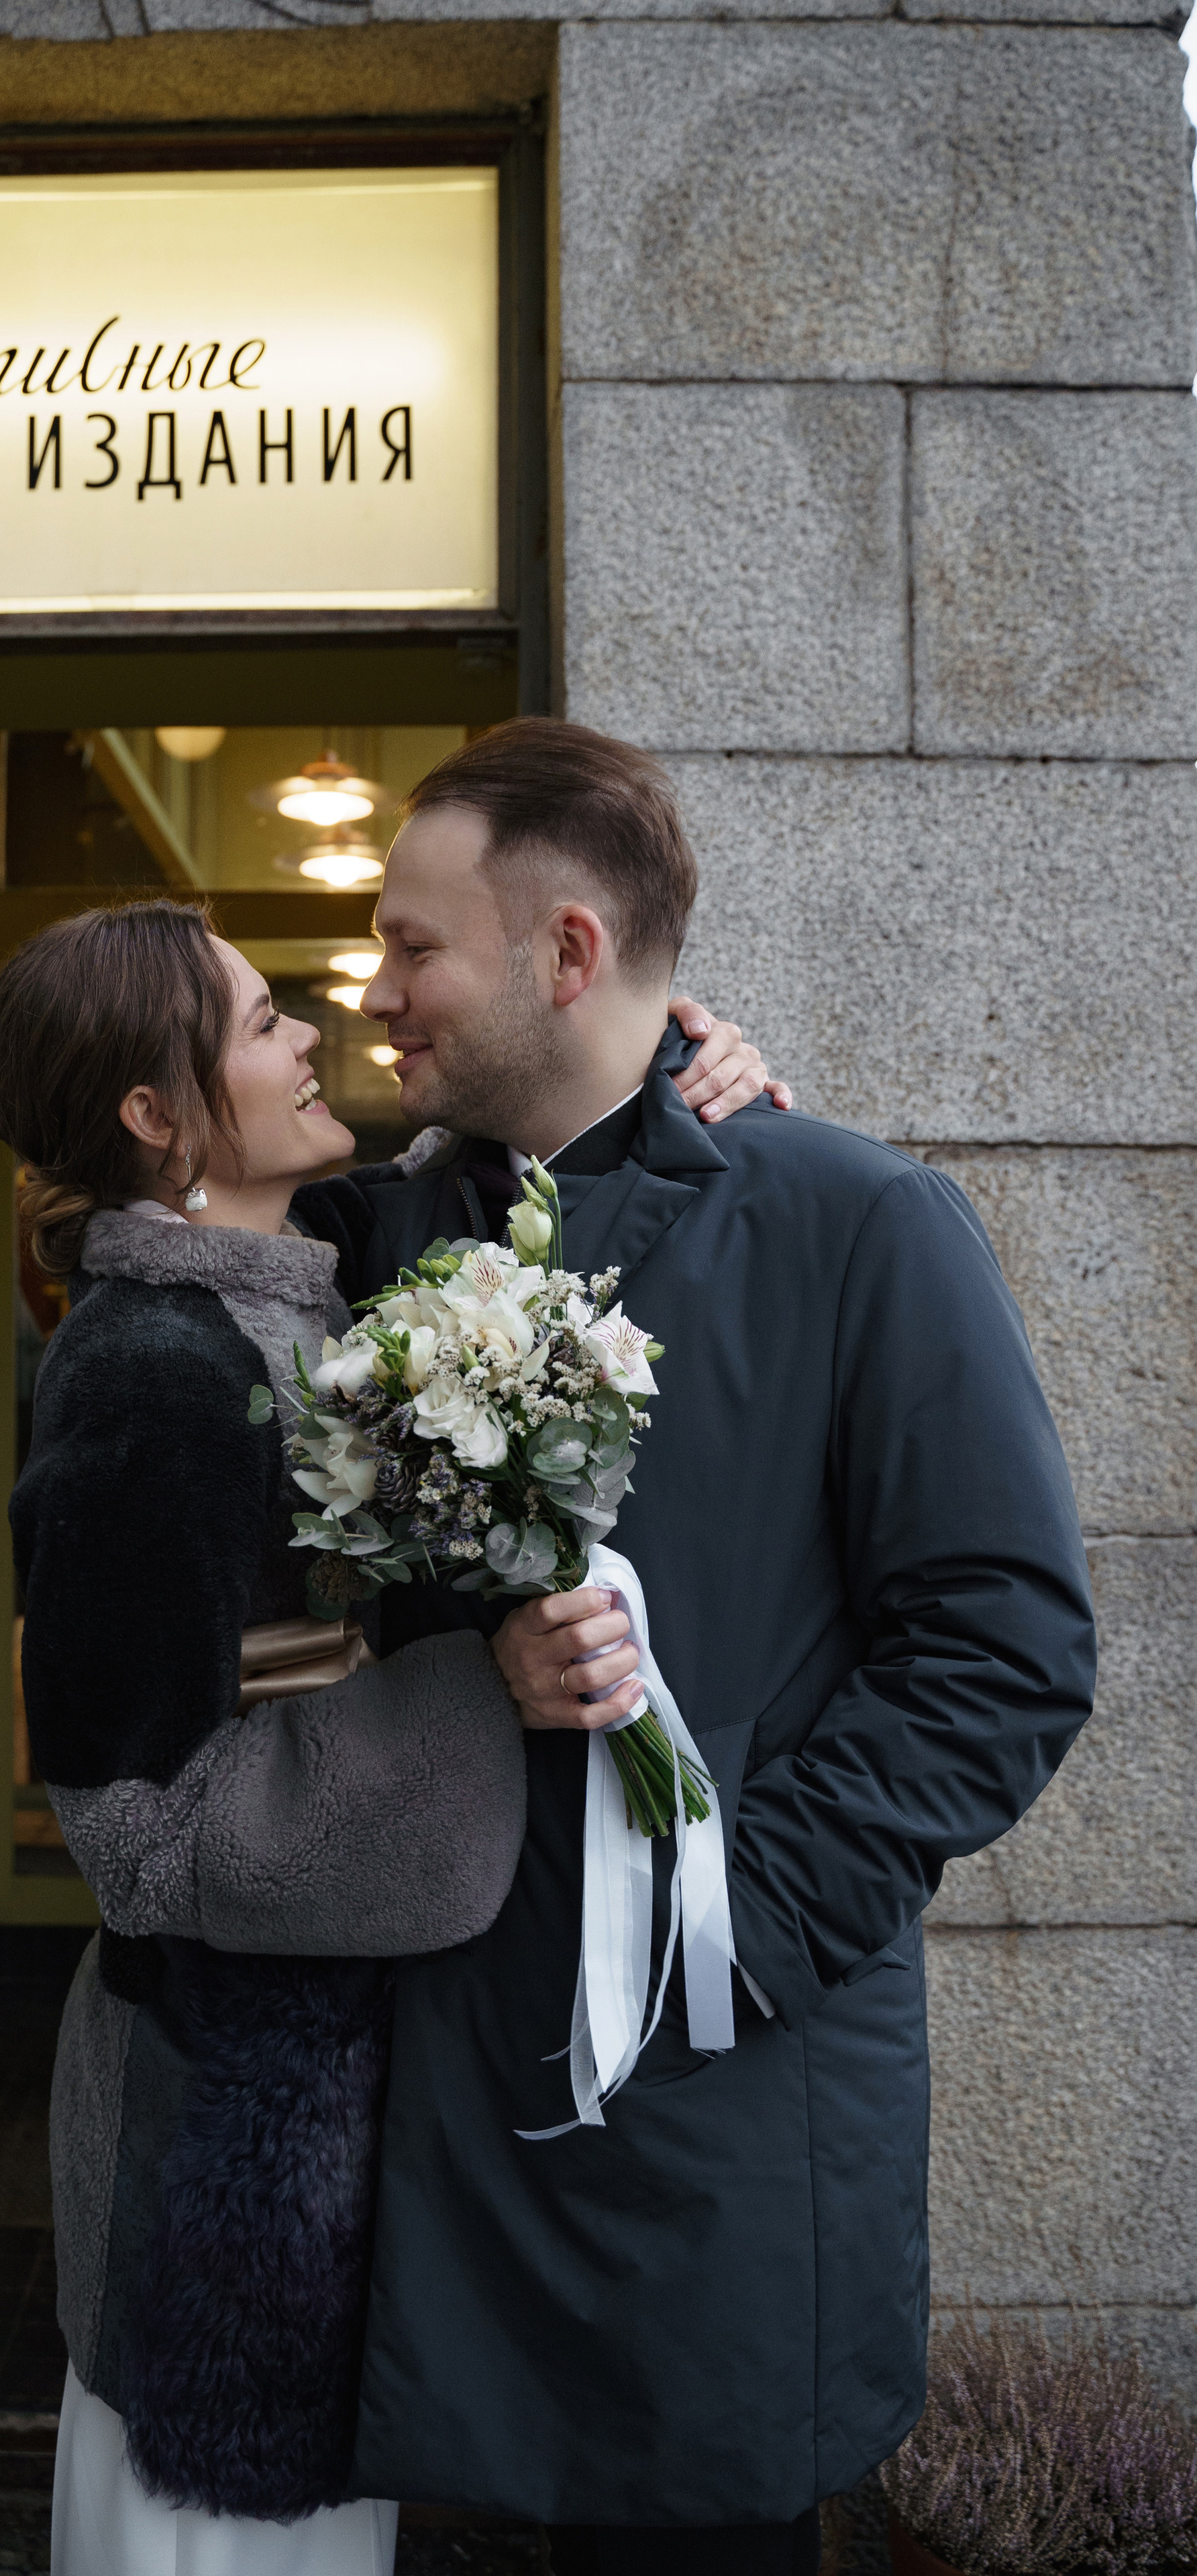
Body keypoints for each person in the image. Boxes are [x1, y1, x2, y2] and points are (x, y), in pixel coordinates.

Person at [287, 718, 1096, 2575]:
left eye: (415, 943)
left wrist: (728, 1925)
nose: (377, 986)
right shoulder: (373, 1234)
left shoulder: (857, 1223)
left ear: (565, 954)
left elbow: (1006, 1645)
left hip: (724, 2122)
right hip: (424, 2117)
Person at [0, 899, 780, 2576]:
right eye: (265, 1022)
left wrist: (678, 1066)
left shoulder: (286, 1293)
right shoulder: (149, 1372)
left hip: (303, 2094)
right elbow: (133, 1836)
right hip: (224, 2133)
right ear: (154, 1112)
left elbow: (481, 1162)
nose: (309, 1040)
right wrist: (472, 1693)